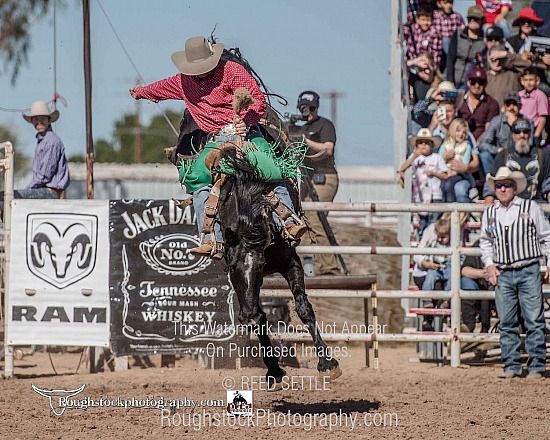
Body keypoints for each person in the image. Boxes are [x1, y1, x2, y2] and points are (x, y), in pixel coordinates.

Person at [129, 36, 306, 257]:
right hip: (215, 139)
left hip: (246, 135)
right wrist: (142, 92)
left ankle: (289, 222)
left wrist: (246, 120)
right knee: (196, 178)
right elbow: (161, 88)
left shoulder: (231, 71)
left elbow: (257, 99)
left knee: (271, 168)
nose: (199, 72)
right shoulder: (183, 81)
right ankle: (212, 239)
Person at [480, 166, 549, 379]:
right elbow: (485, 242)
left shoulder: (531, 207)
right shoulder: (490, 212)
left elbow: (546, 236)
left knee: (533, 319)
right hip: (503, 272)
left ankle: (536, 365)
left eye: (506, 185)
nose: (502, 189)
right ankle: (511, 364)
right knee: (507, 321)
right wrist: (490, 264)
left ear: (514, 188)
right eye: (498, 185)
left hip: (528, 269)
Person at [297, 91, 340, 276]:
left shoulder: (325, 125)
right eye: (304, 108)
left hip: (324, 177)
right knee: (301, 217)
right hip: (307, 179)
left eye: (311, 108)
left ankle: (330, 266)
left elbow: (328, 149)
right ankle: (312, 265)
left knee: (315, 217)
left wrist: (306, 142)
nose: (308, 112)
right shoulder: (300, 129)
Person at [483, 117, 550, 204]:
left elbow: (548, 184)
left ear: (530, 134)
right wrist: (489, 210)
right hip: (509, 206)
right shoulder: (503, 155)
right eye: (517, 132)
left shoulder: (542, 155)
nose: (522, 135)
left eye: (525, 132)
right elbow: (490, 186)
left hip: (537, 204)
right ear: (513, 134)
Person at [14, 101, 70, 200]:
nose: (39, 122)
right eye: (36, 119)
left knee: (7, 196)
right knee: (6, 196)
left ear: (49, 120)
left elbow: (44, 176)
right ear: (32, 121)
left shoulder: (51, 141)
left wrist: (28, 188)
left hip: (50, 192)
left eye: (43, 118)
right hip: (43, 190)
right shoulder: (42, 141)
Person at [398, 128, 449, 235]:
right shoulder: (414, 158)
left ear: (432, 145)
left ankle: (430, 243)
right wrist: (414, 156)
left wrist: (433, 173)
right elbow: (402, 169)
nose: (423, 145)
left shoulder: (437, 158)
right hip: (420, 196)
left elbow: (445, 175)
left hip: (435, 195)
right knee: (423, 222)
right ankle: (422, 243)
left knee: (433, 223)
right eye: (420, 143)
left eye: (426, 143)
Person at [478, 91, 532, 176]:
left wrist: (515, 125)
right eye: (508, 104)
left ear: (520, 106)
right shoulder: (496, 120)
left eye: (514, 104)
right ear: (504, 107)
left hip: (519, 159)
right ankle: (491, 181)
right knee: (484, 155)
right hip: (500, 159)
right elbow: (482, 144)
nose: (511, 108)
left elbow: (530, 144)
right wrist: (497, 150)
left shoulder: (527, 122)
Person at [446, 5, 486, 89]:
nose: (472, 21)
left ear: (482, 20)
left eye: (475, 18)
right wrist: (449, 80)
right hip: (453, 79)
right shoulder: (458, 35)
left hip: (471, 83)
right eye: (470, 18)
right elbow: (450, 58)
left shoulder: (484, 41)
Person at [457, 66, 500, 143]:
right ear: (468, 83)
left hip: (482, 143)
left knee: (485, 155)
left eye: (480, 82)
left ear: (485, 84)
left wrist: (476, 144)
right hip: (459, 140)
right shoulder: (459, 100)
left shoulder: (492, 103)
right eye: (473, 82)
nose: (477, 86)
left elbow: (489, 129)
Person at [461, 238, 494, 333]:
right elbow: (464, 270)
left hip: (500, 285)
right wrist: (482, 273)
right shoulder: (478, 243)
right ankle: (468, 326)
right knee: (466, 282)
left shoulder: (506, 243)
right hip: (479, 285)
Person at [438, 118, 475, 203]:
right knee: (442, 185)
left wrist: (456, 170)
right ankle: (444, 208)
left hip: (459, 174)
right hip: (445, 172)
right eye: (458, 131)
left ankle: (451, 208)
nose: (461, 134)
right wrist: (445, 157)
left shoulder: (467, 146)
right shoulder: (446, 144)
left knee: (448, 185)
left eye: (464, 132)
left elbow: (465, 163)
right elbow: (438, 160)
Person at [518, 66, 548, 148]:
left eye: (531, 80)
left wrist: (536, 134)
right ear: (522, 81)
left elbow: (542, 118)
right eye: (526, 80)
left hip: (533, 130)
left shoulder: (540, 96)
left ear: (537, 80)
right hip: (520, 129)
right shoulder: (519, 95)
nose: (528, 83)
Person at [432, 0, 465, 68]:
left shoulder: (457, 17)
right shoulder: (434, 16)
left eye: (450, 3)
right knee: (445, 41)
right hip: (439, 50)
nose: (449, 6)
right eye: (445, 3)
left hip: (454, 48)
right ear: (439, 4)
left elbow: (463, 33)